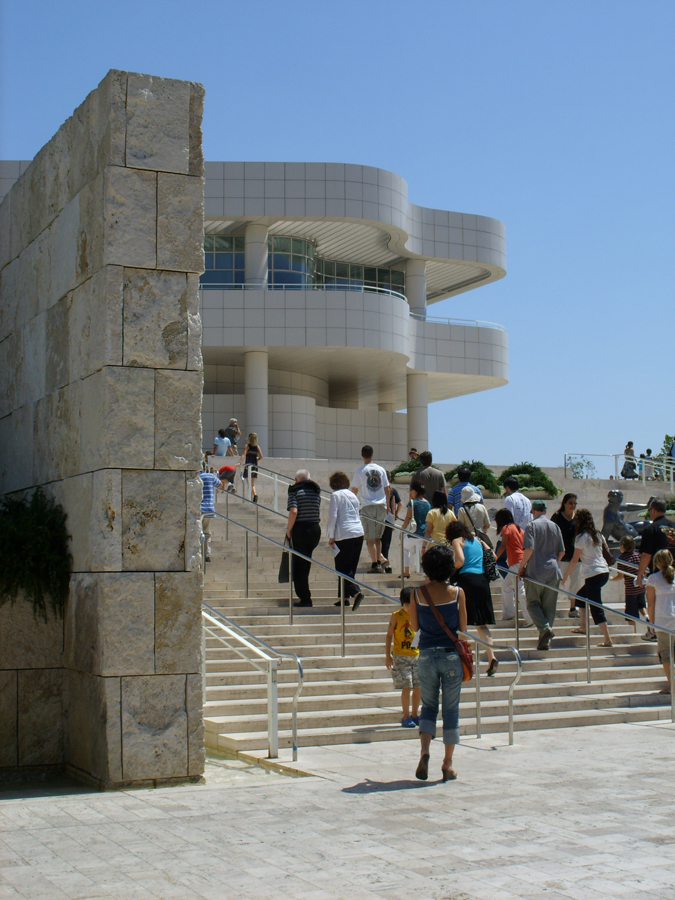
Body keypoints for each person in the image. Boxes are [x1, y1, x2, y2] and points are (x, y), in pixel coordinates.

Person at [408, 545, 467, 781]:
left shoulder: (416, 594)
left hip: (426, 655)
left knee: (428, 706)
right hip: (450, 655)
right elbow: (462, 630)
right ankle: (447, 763)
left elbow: (414, 627)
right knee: (451, 710)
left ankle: (424, 751)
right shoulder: (458, 593)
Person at [446, 520, 498, 675]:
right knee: (481, 624)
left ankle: (464, 660)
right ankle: (492, 657)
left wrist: (449, 568)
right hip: (482, 581)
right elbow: (493, 556)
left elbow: (460, 560)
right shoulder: (477, 540)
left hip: (467, 581)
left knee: (463, 622)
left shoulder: (457, 540)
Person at [561, 508, 613, 646]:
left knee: (596, 607)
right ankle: (583, 626)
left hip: (593, 573)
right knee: (581, 596)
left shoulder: (581, 537)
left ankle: (607, 638)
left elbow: (574, 559)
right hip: (603, 572)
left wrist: (565, 576)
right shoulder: (597, 535)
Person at [519, 500, 565, 651]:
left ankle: (545, 630)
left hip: (535, 571)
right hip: (553, 571)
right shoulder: (555, 526)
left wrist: (522, 567)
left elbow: (529, 549)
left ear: (533, 511)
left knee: (532, 604)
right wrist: (553, 563)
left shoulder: (531, 525)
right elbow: (562, 551)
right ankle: (544, 641)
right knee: (549, 608)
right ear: (545, 510)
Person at [327, 471, 365, 611]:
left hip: (344, 534)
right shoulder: (353, 496)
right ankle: (343, 597)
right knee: (350, 567)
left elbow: (333, 517)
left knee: (341, 567)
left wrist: (331, 536)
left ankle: (355, 592)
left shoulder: (335, 495)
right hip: (358, 533)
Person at [350, 445, 391, 573]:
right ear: (372, 454)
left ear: (362, 455)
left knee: (370, 538)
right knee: (378, 537)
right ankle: (379, 561)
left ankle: (374, 564)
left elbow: (354, 490)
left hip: (367, 506)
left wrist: (352, 505)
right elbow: (387, 489)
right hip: (381, 506)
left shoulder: (360, 471)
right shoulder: (381, 470)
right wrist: (388, 506)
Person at [285, 470, 322, 608]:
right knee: (305, 563)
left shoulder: (294, 491)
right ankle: (305, 594)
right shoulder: (316, 491)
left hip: (301, 530)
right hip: (314, 529)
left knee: (299, 565)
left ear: (296, 480)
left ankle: (305, 598)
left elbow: (293, 511)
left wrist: (288, 530)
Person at [385, 587, 420, 727]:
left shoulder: (418, 615)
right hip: (401, 656)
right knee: (407, 685)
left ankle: (415, 714)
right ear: (402, 604)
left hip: (416, 655)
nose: (410, 609)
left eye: (412, 606)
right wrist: (387, 655)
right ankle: (406, 716)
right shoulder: (396, 616)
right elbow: (389, 635)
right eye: (407, 606)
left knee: (418, 686)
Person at [494, 509, 531, 625]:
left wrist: (494, 558)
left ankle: (529, 618)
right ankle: (509, 613)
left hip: (515, 562)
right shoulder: (519, 529)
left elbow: (503, 545)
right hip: (521, 560)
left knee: (520, 589)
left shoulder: (506, 528)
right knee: (506, 587)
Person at [646, 550, 675, 693]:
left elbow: (650, 604)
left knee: (665, 654)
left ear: (657, 562)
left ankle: (672, 685)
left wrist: (651, 624)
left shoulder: (653, 578)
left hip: (663, 621)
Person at [610, 535, 649, 634]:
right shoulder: (637, 555)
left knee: (630, 613)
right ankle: (647, 617)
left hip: (631, 590)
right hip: (640, 587)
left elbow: (620, 576)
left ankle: (633, 632)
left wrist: (612, 579)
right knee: (641, 606)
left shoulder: (622, 558)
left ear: (623, 546)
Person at [635, 498, 675, 588]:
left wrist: (640, 573)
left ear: (653, 510)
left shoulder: (651, 529)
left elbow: (646, 555)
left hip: (659, 575)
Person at [551, 493, 580, 618]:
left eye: (574, 503)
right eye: (570, 503)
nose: (572, 505)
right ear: (564, 503)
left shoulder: (577, 518)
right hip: (561, 556)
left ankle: (573, 608)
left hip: (575, 556)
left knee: (575, 582)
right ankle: (551, 606)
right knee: (557, 581)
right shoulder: (557, 517)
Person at [402, 482, 430, 577]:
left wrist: (403, 529)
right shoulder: (428, 504)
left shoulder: (412, 502)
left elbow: (408, 517)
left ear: (414, 491)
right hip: (425, 533)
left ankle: (406, 571)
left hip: (414, 532)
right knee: (424, 552)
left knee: (405, 548)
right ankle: (425, 573)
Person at [380, 477, 402, 573]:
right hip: (389, 519)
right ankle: (386, 564)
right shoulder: (392, 491)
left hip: (380, 517)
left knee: (378, 541)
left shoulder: (380, 490)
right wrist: (395, 515)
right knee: (386, 543)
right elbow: (397, 505)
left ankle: (380, 561)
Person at [199, 467, 221, 562]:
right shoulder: (210, 476)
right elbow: (220, 484)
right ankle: (206, 554)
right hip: (209, 509)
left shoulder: (197, 476)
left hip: (199, 509)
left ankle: (198, 554)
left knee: (198, 532)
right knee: (206, 532)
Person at [240, 433, 263, 502]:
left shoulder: (247, 446)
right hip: (254, 466)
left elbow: (244, 454)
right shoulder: (257, 447)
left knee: (249, 483)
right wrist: (256, 460)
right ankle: (254, 495)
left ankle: (253, 496)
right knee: (252, 483)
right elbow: (261, 457)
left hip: (248, 466)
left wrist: (240, 462)